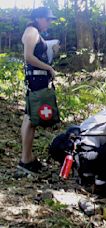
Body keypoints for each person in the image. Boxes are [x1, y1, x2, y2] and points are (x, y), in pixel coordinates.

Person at [18, 7, 59, 174]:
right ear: (39, 18)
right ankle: (25, 159)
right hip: (36, 80)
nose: (49, 23)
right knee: (32, 120)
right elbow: (28, 57)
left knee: (29, 118)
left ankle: (27, 158)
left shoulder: (34, 32)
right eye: (47, 19)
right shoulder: (32, 31)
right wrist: (48, 67)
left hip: (37, 79)